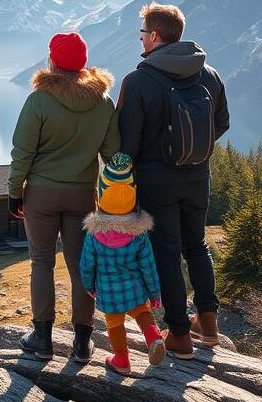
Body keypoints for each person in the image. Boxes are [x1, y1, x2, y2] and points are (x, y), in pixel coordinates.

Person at [117, 3, 230, 359]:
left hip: (155, 182)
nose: (141, 41)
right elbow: (221, 123)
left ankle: (180, 335)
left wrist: (117, 183)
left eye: (141, 34)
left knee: (166, 253)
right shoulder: (208, 74)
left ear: (153, 36)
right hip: (198, 176)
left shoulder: (138, 80)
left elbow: (126, 144)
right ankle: (208, 325)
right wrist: (192, 153)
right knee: (196, 246)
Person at [8, 31, 120, 362]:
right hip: (82, 196)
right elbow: (112, 155)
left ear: (53, 60)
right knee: (81, 267)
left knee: (41, 261)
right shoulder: (103, 102)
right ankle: (82, 343)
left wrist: (15, 192)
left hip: (40, 195)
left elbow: (22, 152)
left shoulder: (39, 100)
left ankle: (42, 339)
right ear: (83, 62)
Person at [80, 152, 165, 375]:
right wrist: (154, 292)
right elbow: (149, 265)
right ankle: (154, 337)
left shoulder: (94, 235)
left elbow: (87, 264)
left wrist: (88, 285)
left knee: (114, 324)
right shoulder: (138, 234)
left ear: (100, 195)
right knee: (142, 312)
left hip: (108, 292)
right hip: (135, 289)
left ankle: (121, 360)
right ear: (132, 197)